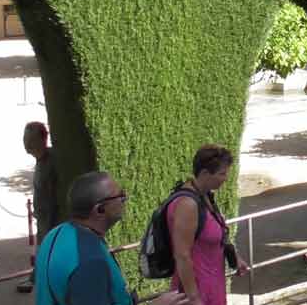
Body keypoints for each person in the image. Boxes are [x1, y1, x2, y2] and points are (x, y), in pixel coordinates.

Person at [34, 171, 189, 305]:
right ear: (100, 209)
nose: (125, 199)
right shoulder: (89, 260)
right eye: (120, 196)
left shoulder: (55, 234)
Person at [169, 145, 247, 305]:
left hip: (211, 286)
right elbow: (182, 255)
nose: (226, 178)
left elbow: (214, 232)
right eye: (222, 173)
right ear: (205, 173)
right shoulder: (187, 204)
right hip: (197, 292)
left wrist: (234, 257)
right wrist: (194, 298)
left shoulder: (204, 195)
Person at [17, 121, 60, 293]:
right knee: (44, 250)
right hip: (43, 217)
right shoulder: (41, 160)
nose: (26, 144)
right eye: (25, 139)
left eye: (30, 140)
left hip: (51, 219)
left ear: (43, 139)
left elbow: (53, 196)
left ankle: (37, 281)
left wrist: (49, 223)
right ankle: (36, 280)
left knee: (45, 250)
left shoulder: (51, 161)